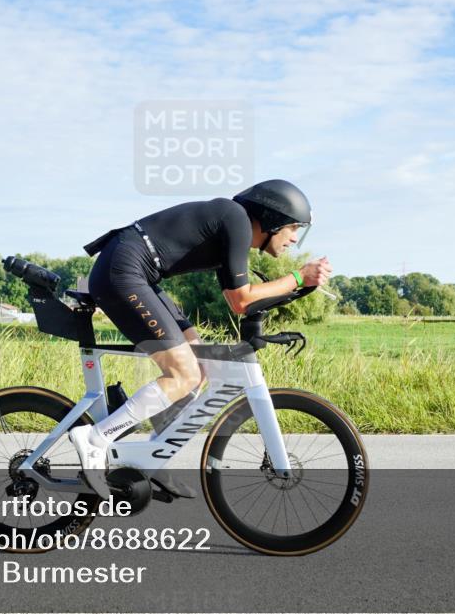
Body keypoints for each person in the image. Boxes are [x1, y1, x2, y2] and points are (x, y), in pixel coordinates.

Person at [69, 179, 332, 499]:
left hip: (140, 273)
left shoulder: (234, 227)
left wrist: (299, 287)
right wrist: (297, 278)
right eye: (293, 228)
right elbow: (242, 301)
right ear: (273, 219)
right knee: (184, 373)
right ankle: (96, 439)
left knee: (201, 366)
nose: (294, 238)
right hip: (123, 272)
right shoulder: (236, 219)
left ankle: (152, 455)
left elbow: (239, 302)